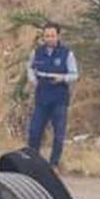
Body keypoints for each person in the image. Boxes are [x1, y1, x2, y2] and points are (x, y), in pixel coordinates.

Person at [26, 22, 79, 168]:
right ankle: (32, 163)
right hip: (42, 96)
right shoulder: (37, 52)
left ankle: (54, 164)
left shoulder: (67, 53)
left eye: (52, 36)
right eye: (46, 36)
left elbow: (74, 74)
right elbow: (30, 68)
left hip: (59, 97)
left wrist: (62, 78)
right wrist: (32, 80)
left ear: (58, 36)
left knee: (59, 134)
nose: (49, 39)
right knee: (35, 131)